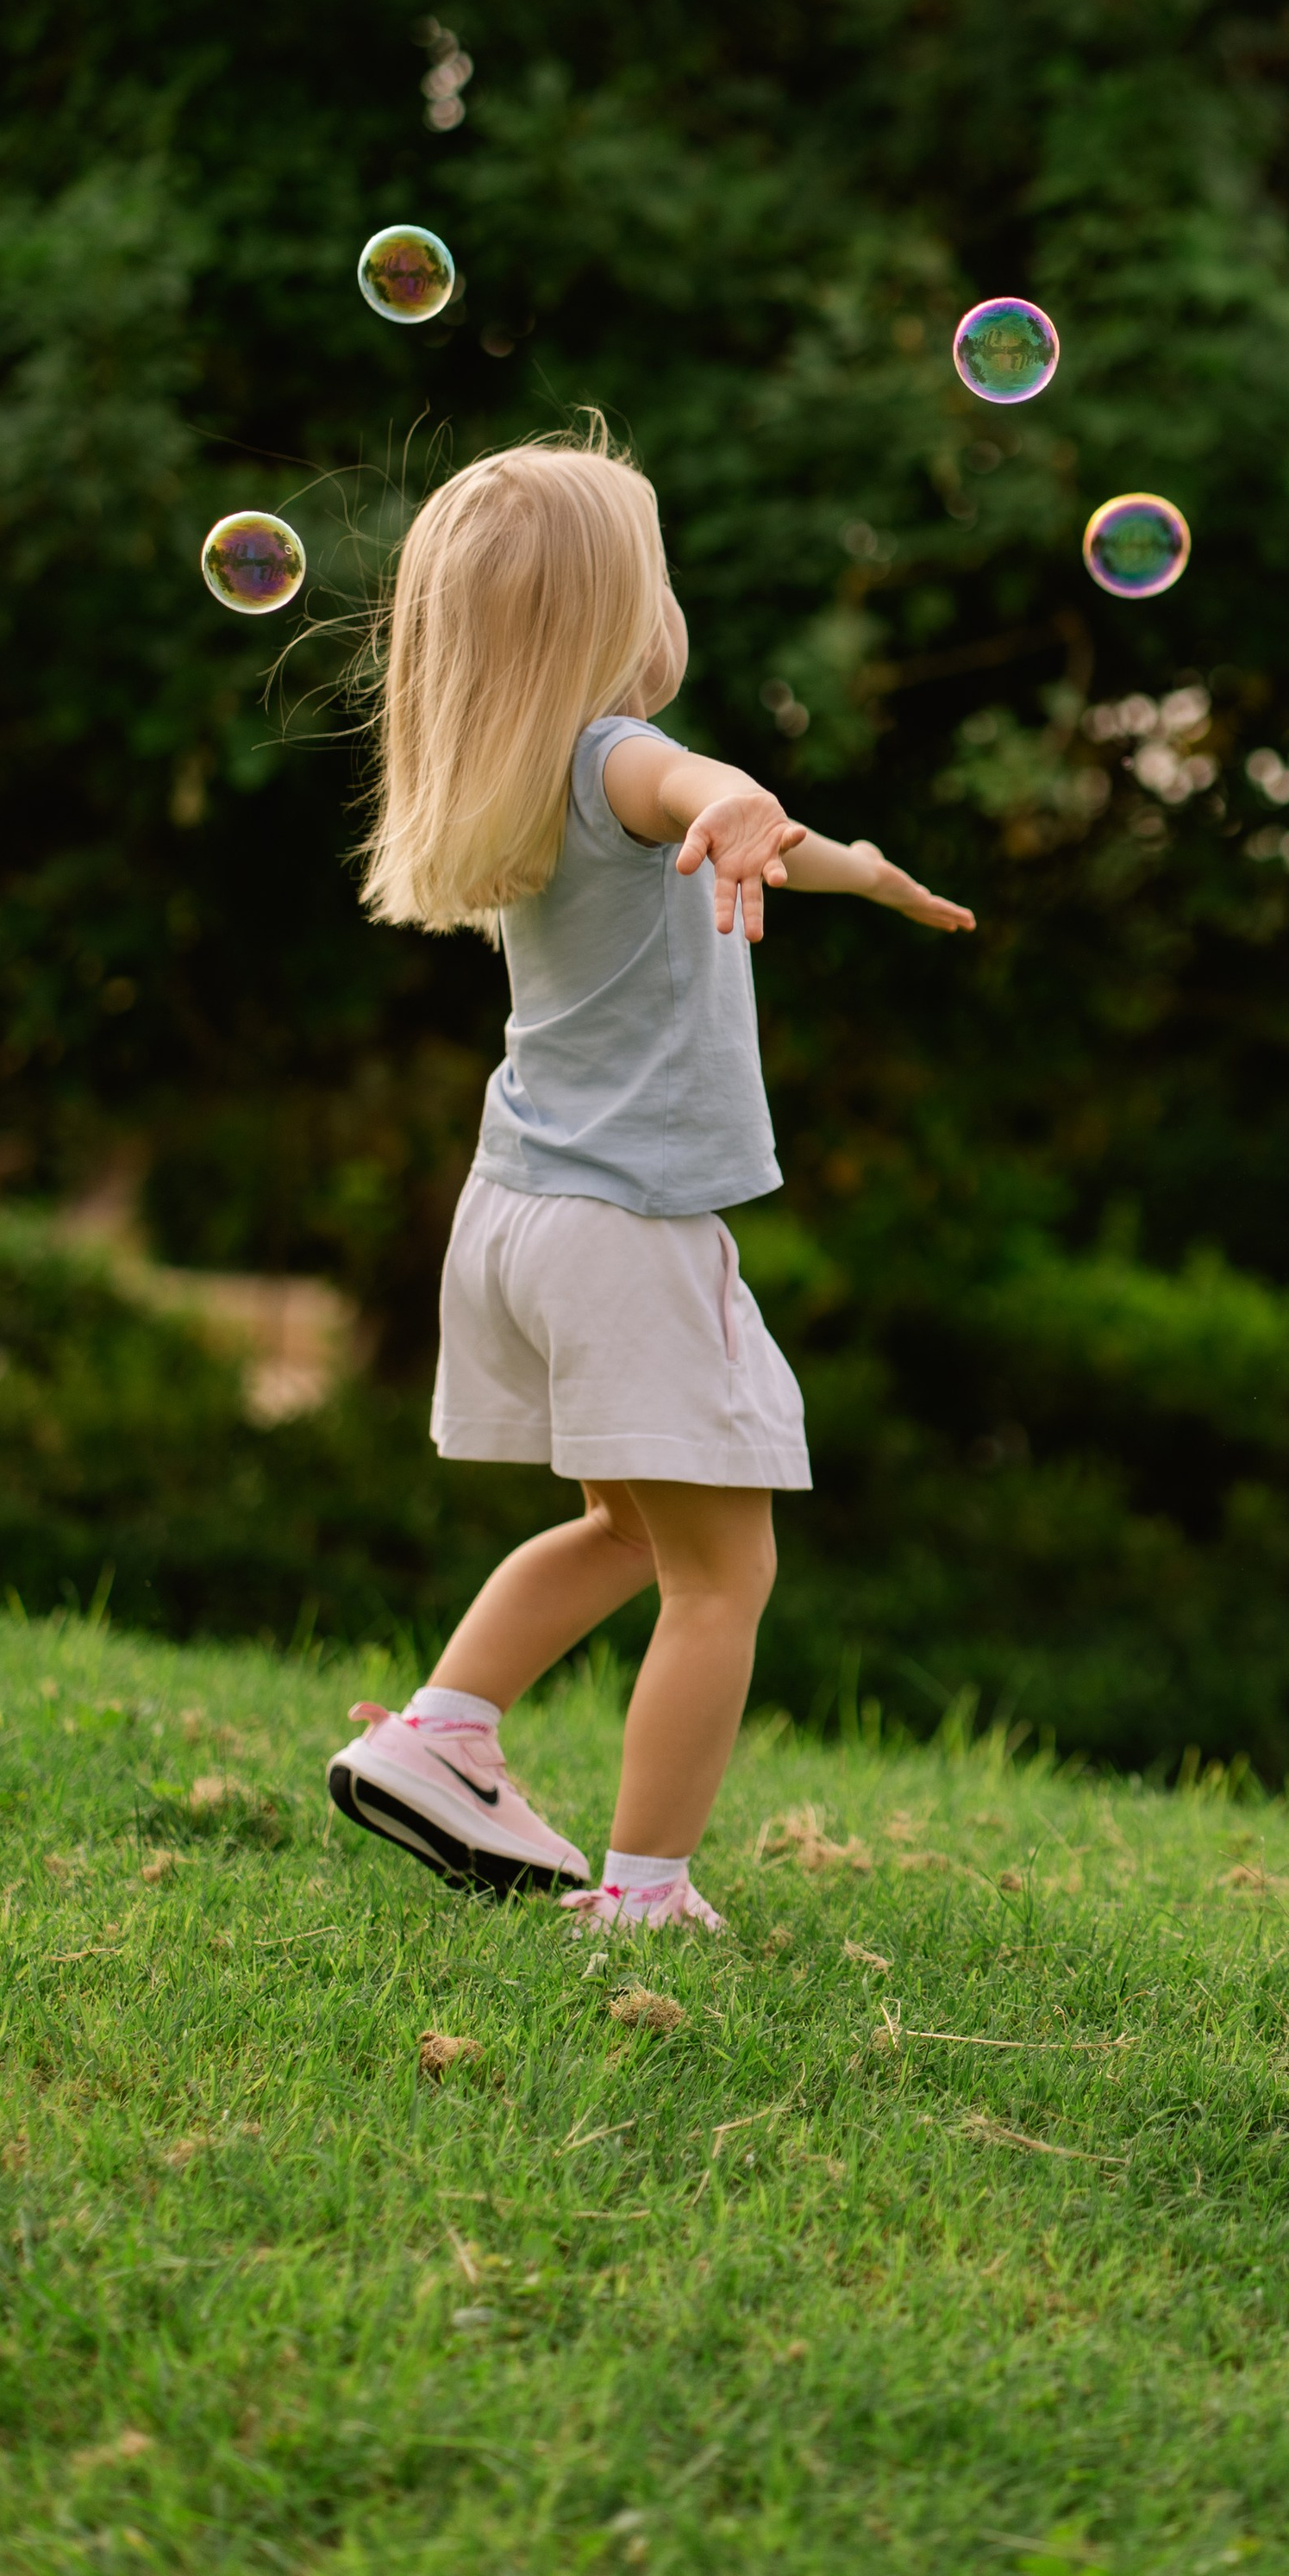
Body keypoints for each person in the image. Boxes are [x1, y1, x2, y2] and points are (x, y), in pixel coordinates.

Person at [323, 428, 973, 1932]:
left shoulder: (520, 779)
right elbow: (699, 791)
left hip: (519, 1213)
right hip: (623, 1227)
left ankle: (441, 1737)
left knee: (631, 1530)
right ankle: (644, 1891)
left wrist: (852, 865)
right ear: (614, 621)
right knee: (722, 1577)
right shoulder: (621, 751)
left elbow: (726, 826)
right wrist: (741, 801)